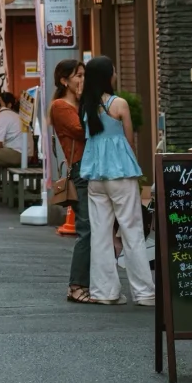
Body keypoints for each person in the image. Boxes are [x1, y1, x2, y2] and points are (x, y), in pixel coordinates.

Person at [79, 56, 155, 307]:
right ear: (107, 75)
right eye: (113, 70)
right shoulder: (119, 103)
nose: (115, 74)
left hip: (95, 176)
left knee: (100, 234)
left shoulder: (86, 104)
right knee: (132, 231)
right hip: (120, 174)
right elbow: (129, 139)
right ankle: (144, 293)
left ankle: (104, 292)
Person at [50, 59, 92, 303]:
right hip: (81, 170)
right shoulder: (61, 106)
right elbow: (83, 130)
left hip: (91, 169)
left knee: (95, 229)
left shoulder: (77, 103)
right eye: (78, 75)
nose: (82, 79)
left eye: (84, 74)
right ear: (64, 80)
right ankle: (76, 286)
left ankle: (90, 283)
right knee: (86, 229)